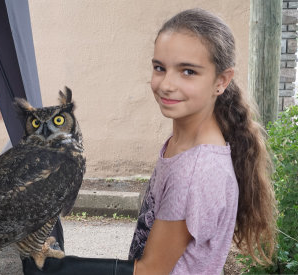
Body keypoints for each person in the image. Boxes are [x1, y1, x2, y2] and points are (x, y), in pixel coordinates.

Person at [23, 8, 277, 275]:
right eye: (159, 68)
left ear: (221, 80)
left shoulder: (196, 171)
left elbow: (151, 270)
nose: (166, 84)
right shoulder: (183, 142)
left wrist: (54, 268)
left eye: (188, 71)